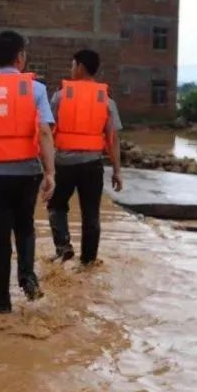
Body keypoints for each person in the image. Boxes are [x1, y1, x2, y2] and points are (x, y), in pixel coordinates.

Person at [0, 30, 56, 313]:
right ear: (20, 57)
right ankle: (27, 278)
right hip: (27, 172)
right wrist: (50, 172)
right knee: (25, 226)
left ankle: (0, 302)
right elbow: (44, 132)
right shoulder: (36, 89)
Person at [48, 49, 124, 266]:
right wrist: (117, 171)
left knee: (56, 206)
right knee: (91, 213)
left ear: (80, 67)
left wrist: (46, 169)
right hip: (92, 165)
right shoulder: (106, 99)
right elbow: (113, 139)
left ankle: (63, 247)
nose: (71, 70)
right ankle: (88, 261)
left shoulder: (60, 96)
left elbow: (47, 129)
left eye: (72, 65)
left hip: (64, 164)